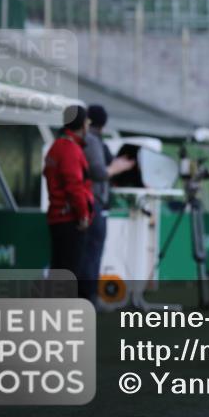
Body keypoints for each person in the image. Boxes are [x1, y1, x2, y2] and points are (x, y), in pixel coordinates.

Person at [80, 104, 135, 305]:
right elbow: (99, 172)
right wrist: (118, 167)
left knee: (84, 252)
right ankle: (89, 299)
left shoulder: (81, 139)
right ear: (103, 124)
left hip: (83, 204)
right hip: (93, 203)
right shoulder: (92, 141)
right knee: (92, 253)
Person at [43, 105, 94, 283]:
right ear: (81, 124)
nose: (89, 124)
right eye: (87, 120)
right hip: (69, 220)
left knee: (58, 270)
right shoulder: (70, 150)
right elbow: (74, 187)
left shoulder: (56, 146)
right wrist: (83, 216)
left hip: (57, 218)